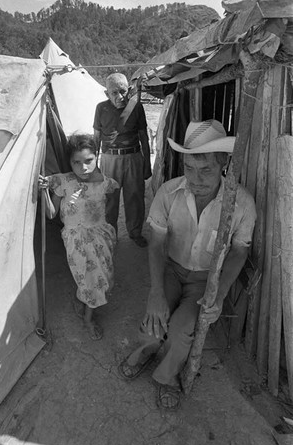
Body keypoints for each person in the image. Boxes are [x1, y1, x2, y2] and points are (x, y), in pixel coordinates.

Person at [118, 119, 257, 410]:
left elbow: (238, 252)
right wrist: (156, 292)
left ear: (223, 163)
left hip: (206, 280)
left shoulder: (241, 203)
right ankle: (144, 352)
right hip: (172, 268)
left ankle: (165, 376)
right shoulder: (169, 193)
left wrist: (217, 296)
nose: (196, 179)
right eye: (189, 169)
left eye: (205, 169)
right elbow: (156, 241)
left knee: (182, 330)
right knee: (154, 320)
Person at [39, 134, 119, 340]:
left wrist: (102, 224)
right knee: (90, 279)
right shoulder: (64, 182)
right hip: (77, 241)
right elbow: (51, 213)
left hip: (101, 237)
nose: (83, 167)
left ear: (97, 157)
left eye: (88, 161)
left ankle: (83, 301)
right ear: (69, 162)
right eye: (76, 162)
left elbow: (110, 200)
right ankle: (88, 319)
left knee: (104, 277)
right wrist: (44, 193)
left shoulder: (104, 182)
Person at [93, 73, 152, 247]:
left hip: (133, 157)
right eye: (114, 93)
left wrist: (147, 164)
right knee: (109, 198)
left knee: (135, 196)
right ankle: (111, 235)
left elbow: (144, 137)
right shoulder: (101, 109)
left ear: (129, 90)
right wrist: (93, 165)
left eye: (123, 91)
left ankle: (135, 233)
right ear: (106, 94)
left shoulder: (136, 107)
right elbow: (96, 138)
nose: (120, 96)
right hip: (109, 159)